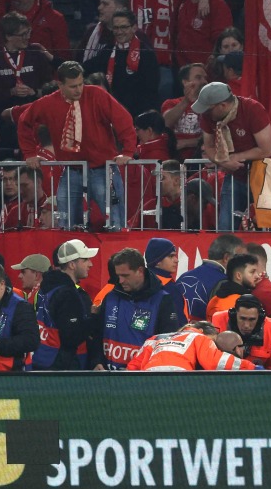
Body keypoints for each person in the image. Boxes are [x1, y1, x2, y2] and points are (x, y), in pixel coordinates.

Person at [16, 61, 136, 229]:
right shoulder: (47, 103)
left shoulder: (97, 95)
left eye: (81, 84)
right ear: (60, 84)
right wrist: (29, 153)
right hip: (72, 170)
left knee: (116, 223)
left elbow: (124, 120)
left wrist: (128, 151)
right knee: (67, 224)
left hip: (103, 169)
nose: (79, 90)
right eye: (73, 86)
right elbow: (24, 121)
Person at [193, 82, 271, 231]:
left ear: (222, 105)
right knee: (225, 226)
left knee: (268, 227)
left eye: (208, 109)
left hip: (265, 176)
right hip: (235, 176)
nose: (203, 113)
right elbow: (209, 146)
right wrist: (222, 161)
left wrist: (235, 158)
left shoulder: (252, 109)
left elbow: (266, 149)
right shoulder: (208, 116)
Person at [90, 248, 186, 371]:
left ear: (140, 271)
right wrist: (97, 361)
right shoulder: (111, 297)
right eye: (118, 275)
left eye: (125, 275)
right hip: (108, 376)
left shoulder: (162, 300)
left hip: (142, 380)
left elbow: (167, 344)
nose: (120, 281)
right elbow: (97, 334)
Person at [33, 239, 95, 370]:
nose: (91, 264)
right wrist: (94, 318)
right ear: (72, 264)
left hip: (43, 357)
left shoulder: (47, 286)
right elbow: (71, 337)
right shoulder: (67, 293)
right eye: (85, 260)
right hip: (60, 365)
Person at [177, 234, 245, 320]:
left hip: (178, 331)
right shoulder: (225, 283)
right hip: (205, 331)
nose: (243, 263)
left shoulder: (183, 277)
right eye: (240, 258)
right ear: (226, 258)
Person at [210, 294, 271, 369]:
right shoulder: (218, 322)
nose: (246, 325)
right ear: (234, 315)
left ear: (260, 317)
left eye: (252, 319)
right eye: (242, 318)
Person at [140, 327, 257, 371]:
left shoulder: (154, 338)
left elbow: (133, 368)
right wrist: (252, 367)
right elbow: (215, 362)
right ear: (201, 331)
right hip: (178, 379)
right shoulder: (199, 337)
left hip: (149, 381)